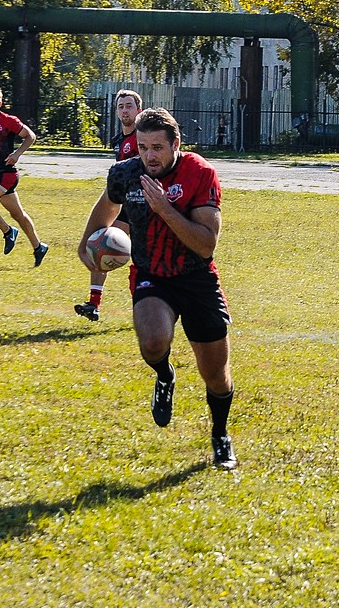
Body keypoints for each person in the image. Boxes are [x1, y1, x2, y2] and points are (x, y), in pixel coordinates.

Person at [77, 107, 237, 470]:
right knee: (151, 340)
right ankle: (165, 375)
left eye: (157, 148)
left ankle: (220, 435)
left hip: (196, 278)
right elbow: (106, 206)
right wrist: (87, 242)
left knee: (215, 374)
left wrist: (164, 208)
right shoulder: (126, 173)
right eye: (143, 147)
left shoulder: (200, 173)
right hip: (153, 275)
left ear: (175, 145)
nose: (149, 155)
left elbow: (206, 244)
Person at [75, 89, 142, 321]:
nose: (125, 110)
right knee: (100, 245)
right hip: (122, 206)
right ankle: (93, 304)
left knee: (142, 260)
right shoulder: (118, 141)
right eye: (121, 106)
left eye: (129, 106)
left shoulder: (143, 137)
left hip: (143, 207)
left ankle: (146, 309)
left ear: (138, 109)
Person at [0, 85, 48, 266]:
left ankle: (8, 231)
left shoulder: (8, 120)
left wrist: (17, 154)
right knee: (18, 214)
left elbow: (30, 136)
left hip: (6, 174)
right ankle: (39, 247)